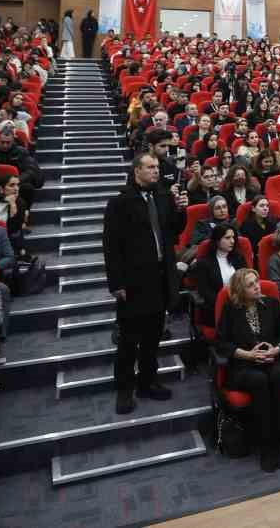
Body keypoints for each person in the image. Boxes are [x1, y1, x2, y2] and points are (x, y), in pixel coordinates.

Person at [102, 151, 186, 414]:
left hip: (160, 277)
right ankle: (125, 388)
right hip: (134, 281)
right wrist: (117, 284)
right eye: (150, 167)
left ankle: (148, 381)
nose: (156, 171)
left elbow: (174, 230)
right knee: (129, 340)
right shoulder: (119, 203)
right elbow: (111, 247)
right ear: (136, 171)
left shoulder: (162, 196)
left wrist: (180, 209)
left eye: (157, 167)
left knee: (153, 337)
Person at [215, 268, 280, 472]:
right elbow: (221, 344)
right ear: (240, 290)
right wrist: (248, 355)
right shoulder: (231, 310)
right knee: (259, 380)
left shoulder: (272, 304)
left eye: (257, 281)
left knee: (279, 375)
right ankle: (266, 446)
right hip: (244, 365)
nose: (258, 286)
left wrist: (277, 349)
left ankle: (279, 442)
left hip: (272, 360)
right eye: (251, 284)